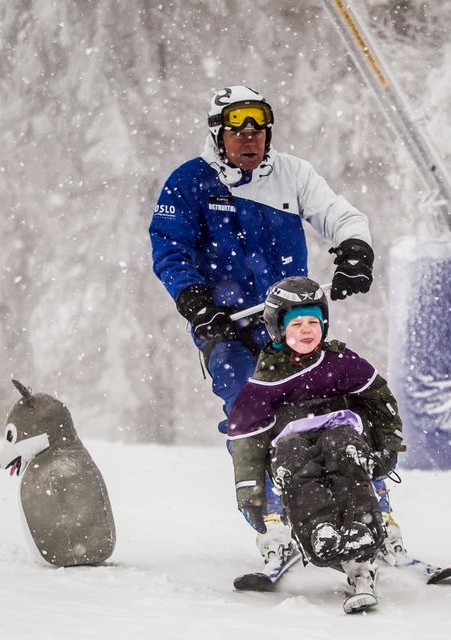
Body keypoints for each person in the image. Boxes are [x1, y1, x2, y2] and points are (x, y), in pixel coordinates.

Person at [149, 85, 401, 568]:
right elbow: (169, 248)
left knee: (337, 410)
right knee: (255, 419)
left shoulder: (292, 174)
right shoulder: (189, 182)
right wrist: (198, 302)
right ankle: (277, 527)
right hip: (226, 330)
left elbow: (340, 214)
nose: (250, 140)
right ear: (218, 135)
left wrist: (354, 249)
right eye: (238, 131)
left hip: (288, 324)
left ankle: (378, 522)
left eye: (258, 131)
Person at [227, 277, 404, 609]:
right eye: (297, 324)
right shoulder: (266, 381)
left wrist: (389, 445)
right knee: (297, 459)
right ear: (278, 329)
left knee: (343, 450)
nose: (307, 330)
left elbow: (380, 399)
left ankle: (360, 540)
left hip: (343, 437)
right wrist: (250, 494)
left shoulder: (340, 362)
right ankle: (319, 531)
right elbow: (247, 441)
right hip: (292, 449)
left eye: (314, 322)